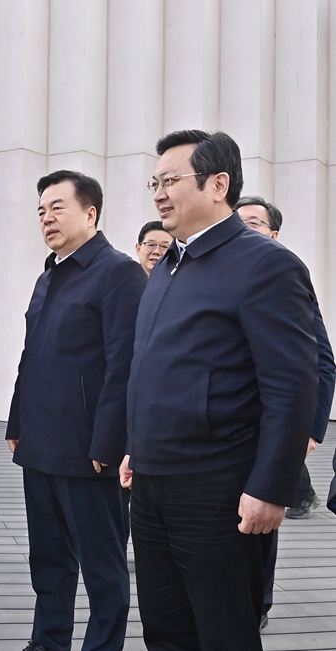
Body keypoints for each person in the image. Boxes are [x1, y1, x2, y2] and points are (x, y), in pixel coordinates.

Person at [121, 130, 319, 651]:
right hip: (151, 484)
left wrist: (271, 487)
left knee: (224, 632)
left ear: (218, 184)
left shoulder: (265, 264)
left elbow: (291, 387)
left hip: (218, 489)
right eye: (154, 183)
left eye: (170, 180)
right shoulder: (168, 266)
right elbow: (152, 371)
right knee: (165, 630)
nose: (159, 193)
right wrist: (136, 446)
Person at [6, 170, 146, 651]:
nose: (46, 218)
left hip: (89, 451)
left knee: (102, 569)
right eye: (41, 210)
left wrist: (108, 442)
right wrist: (17, 420)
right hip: (39, 445)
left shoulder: (119, 272)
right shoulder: (48, 275)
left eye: (57, 207)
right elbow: (31, 356)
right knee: (48, 561)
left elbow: (125, 365)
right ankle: (48, 642)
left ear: (90, 213)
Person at [234, 195, 336, 628]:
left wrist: (310, 431)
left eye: (255, 223)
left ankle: (259, 604)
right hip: (214, 434)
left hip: (266, 430)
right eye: (239, 221)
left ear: (274, 234)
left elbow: (322, 361)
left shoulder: (283, 273)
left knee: (260, 526)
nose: (245, 228)